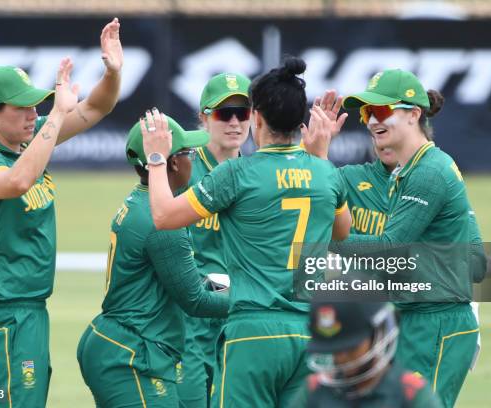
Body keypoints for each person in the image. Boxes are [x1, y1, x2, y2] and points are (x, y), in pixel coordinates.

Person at [141, 56, 352, 407]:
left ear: (257, 118)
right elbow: (341, 233)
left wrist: (157, 158)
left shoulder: (238, 174)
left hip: (254, 331)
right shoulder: (327, 173)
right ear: (302, 123)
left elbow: (163, 216)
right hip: (311, 332)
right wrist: (318, 157)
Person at [0, 18, 123, 408]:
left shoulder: (24, 145)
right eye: (22, 107)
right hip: (3, 318)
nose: (34, 113)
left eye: (37, 105)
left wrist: (112, 71)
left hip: (27, 312)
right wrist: (55, 117)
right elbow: (17, 182)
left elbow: (97, 106)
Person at [323, 69, 480, 408]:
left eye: (381, 111)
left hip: (437, 323)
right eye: (367, 113)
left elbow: (387, 250)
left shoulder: (430, 171)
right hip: (420, 319)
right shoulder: (411, 170)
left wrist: (326, 247)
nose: (370, 121)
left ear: (413, 114)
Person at [77, 113, 230, 408]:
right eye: (187, 153)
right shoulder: (162, 224)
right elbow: (195, 300)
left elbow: (189, 280)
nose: (193, 161)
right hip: (131, 353)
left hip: (121, 344)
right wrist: (255, 298)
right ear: (172, 163)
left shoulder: (143, 201)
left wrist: (232, 286)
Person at [178, 72, 251, 408]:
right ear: (204, 118)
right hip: (191, 316)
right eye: (225, 113)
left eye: (243, 112)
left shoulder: (256, 175)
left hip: (241, 318)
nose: (235, 122)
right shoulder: (183, 171)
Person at [294, 299, 442, 407]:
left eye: (350, 348)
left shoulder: (410, 392)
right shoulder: (314, 389)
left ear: (377, 336)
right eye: (334, 350)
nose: (340, 358)